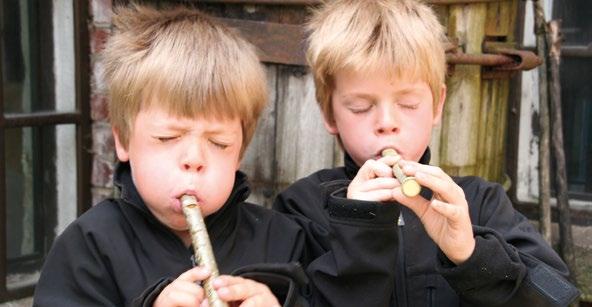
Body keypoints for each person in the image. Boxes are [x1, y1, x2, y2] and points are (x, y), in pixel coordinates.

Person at [273, 0, 580, 306]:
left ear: (437, 105)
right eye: (360, 107)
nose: (387, 123)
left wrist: (472, 255)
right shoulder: (301, 208)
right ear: (329, 114)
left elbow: (559, 299)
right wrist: (357, 235)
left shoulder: (481, 202)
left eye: (408, 104)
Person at [33, 5, 311, 306]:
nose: (194, 159)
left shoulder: (282, 239)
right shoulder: (88, 248)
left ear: (239, 153)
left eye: (218, 143)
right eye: (168, 138)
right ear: (123, 141)